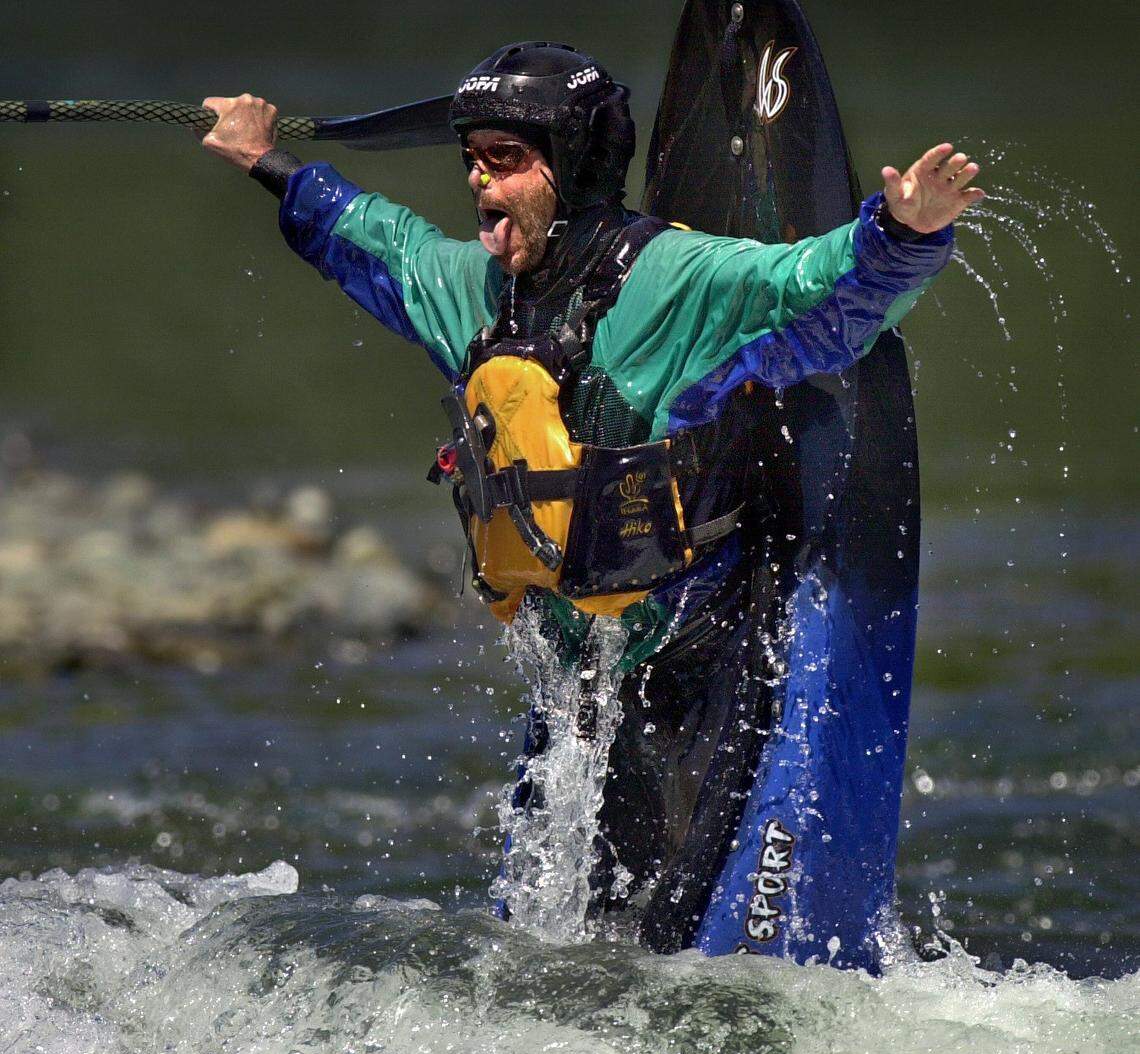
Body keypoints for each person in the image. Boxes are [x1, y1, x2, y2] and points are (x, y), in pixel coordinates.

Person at [201, 41, 982, 968]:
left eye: (508, 160)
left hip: (703, 657)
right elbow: (367, 234)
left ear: (574, 169)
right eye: (473, 160)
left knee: (674, 962)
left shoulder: (669, 281)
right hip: (579, 684)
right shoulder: (476, 291)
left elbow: (808, 285)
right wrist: (264, 158)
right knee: (579, 962)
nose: (481, 185)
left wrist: (904, 232)